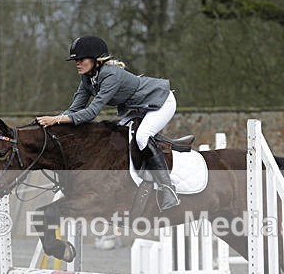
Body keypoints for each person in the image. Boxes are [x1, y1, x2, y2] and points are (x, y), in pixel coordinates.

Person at [36, 35, 179, 210]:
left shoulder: (111, 75)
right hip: (139, 106)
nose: (77, 63)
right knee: (117, 137)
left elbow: (91, 113)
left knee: (142, 137)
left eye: (81, 59)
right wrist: (52, 124)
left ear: (96, 60)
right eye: (76, 60)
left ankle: (167, 189)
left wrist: (56, 120)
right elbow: (74, 109)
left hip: (161, 101)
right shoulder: (87, 79)